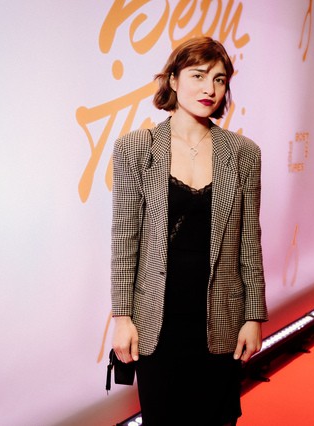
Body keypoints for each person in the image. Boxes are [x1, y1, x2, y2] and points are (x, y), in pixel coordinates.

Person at [110, 37, 268, 425]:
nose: (209, 88)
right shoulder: (135, 148)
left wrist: (254, 316)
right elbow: (125, 238)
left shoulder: (244, 153)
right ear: (173, 80)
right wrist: (122, 316)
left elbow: (250, 240)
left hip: (221, 318)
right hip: (158, 320)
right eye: (198, 76)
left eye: (219, 79)